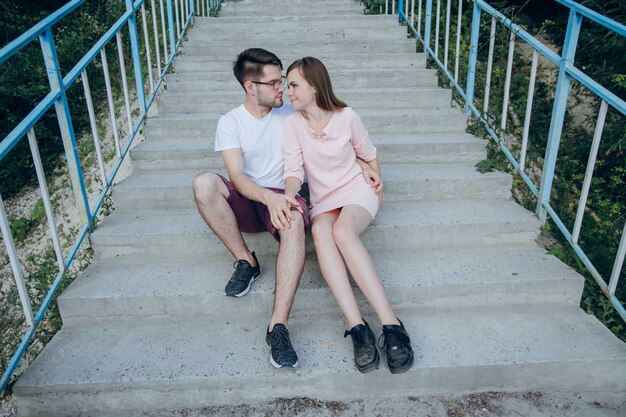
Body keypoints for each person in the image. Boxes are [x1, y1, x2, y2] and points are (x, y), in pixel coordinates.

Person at [282, 57, 414, 374]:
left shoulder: (347, 117)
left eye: (294, 84)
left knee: (343, 232)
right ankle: (358, 328)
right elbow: (293, 170)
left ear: (315, 85)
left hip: (358, 191)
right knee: (321, 232)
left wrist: (375, 177)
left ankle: (391, 325)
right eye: (287, 86)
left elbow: (369, 156)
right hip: (325, 199)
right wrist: (289, 194)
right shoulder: (292, 125)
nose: (289, 92)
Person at [192, 48, 309, 369]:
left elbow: (335, 129)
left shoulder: (291, 113)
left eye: (282, 81)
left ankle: (278, 326)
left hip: (284, 195)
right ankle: (246, 261)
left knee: (296, 222)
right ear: (250, 86)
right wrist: (267, 199)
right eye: (272, 83)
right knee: (204, 182)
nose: (281, 88)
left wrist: (367, 163)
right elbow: (238, 178)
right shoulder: (230, 122)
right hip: (251, 198)